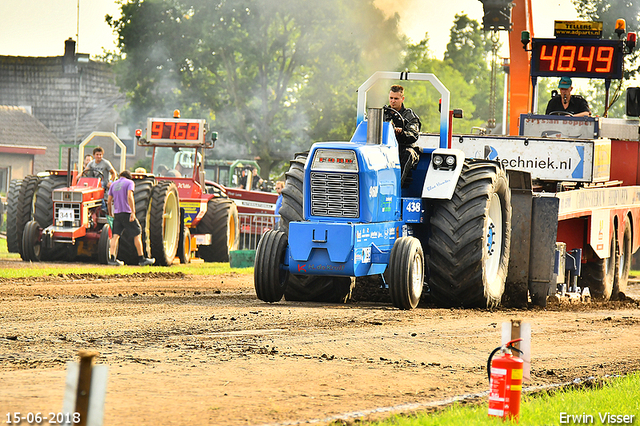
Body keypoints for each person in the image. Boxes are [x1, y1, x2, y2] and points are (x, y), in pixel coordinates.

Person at [107, 170, 155, 266]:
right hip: (127, 213)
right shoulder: (129, 182)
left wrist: (110, 213)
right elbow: (130, 196)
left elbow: (109, 201)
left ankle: (112, 259)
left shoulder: (113, 184)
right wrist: (133, 212)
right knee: (137, 233)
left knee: (115, 236)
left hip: (117, 214)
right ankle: (141, 259)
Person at [384, 85, 422, 186]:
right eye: (391, 98)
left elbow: (413, 135)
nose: (393, 101)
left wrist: (401, 132)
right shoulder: (383, 114)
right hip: (385, 148)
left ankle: (396, 187)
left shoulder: (409, 116)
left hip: (403, 147)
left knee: (408, 153)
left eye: (396, 98)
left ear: (402, 99)